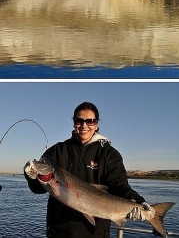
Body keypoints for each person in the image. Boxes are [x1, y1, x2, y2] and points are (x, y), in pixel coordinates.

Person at [24, 102, 151, 238]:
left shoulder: (109, 154)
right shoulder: (57, 151)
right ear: (74, 123)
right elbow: (38, 189)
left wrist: (138, 201)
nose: (84, 125)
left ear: (96, 124)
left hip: (95, 233)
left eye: (90, 121)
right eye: (79, 121)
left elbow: (119, 184)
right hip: (59, 232)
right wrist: (31, 176)